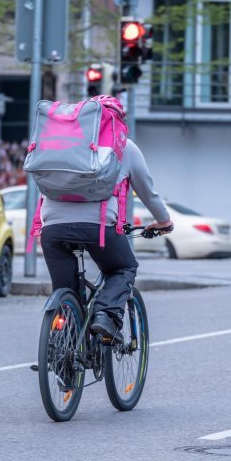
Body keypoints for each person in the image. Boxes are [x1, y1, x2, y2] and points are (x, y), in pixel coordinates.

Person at [39, 116, 173, 342]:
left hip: (52, 229)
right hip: (97, 228)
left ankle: (63, 348)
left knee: (65, 293)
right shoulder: (124, 146)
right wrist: (163, 221)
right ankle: (105, 315)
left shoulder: (60, 146)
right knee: (124, 267)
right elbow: (147, 192)